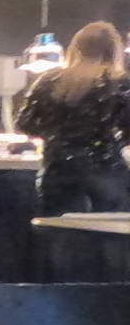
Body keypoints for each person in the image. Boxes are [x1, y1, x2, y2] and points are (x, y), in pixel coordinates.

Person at [16, 20, 130, 215]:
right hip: (106, 169)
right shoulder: (121, 84)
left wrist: (57, 133)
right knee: (108, 227)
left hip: (58, 168)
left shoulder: (49, 80)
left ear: (75, 48)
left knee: (60, 226)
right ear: (114, 51)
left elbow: (25, 123)